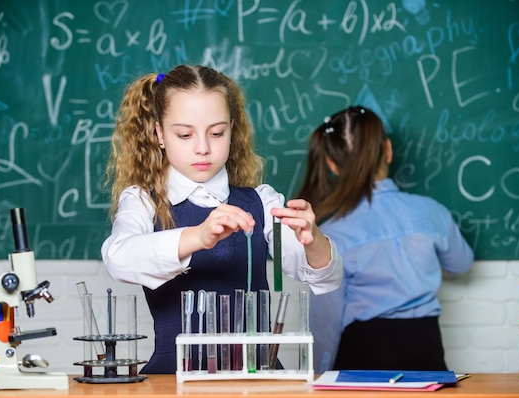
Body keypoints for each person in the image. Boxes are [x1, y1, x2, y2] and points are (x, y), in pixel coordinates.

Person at [101, 65, 343, 374]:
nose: (202, 147)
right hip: (174, 379)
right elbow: (118, 257)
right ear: (159, 134)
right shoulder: (142, 201)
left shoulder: (261, 201)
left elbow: (324, 277)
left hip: (257, 376)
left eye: (216, 133)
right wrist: (198, 237)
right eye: (185, 134)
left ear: (232, 129)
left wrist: (314, 240)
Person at [295, 105, 474, 373]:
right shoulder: (431, 212)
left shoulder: (330, 236)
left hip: (362, 359)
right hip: (428, 353)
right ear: (388, 150)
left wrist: (318, 373)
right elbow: (461, 264)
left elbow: (326, 322)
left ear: (332, 164)